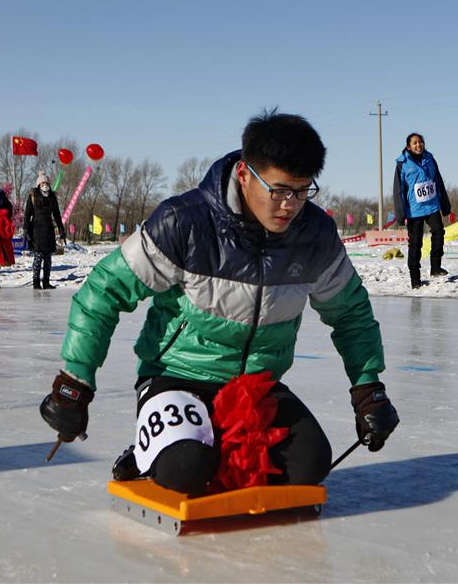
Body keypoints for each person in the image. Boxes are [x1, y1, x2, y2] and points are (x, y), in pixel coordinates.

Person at [39, 110, 399, 496]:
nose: (290, 205)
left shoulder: (315, 236)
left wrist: (367, 389)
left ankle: (211, 444)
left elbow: (350, 314)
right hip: (177, 377)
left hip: (255, 384)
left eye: (302, 191)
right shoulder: (185, 223)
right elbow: (103, 291)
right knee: (186, 468)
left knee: (308, 465)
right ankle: (151, 455)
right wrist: (75, 380)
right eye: (279, 190)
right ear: (245, 175)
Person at [392, 132, 451, 289]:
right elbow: (398, 190)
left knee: (439, 232)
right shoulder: (402, 164)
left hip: (432, 205)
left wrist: (445, 205)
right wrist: (400, 213)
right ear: (409, 147)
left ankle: (435, 267)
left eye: (421, 142)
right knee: (415, 244)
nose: (419, 145)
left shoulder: (430, 159)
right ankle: (415, 278)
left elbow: (438, 181)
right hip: (414, 210)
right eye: (415, 143)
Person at [24, 171, 66, 290]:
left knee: (48, 258)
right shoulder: (33, 196)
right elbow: (27, 214)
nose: (45, 185)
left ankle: (46, 281)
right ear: (38, 184)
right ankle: (36, 281)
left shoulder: (52, 197)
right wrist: (26, 229)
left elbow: (57, 215)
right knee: (38, 257)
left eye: (46, 183)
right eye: (42, 183)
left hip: (48, 230)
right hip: (36, 230)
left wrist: (61, 229)